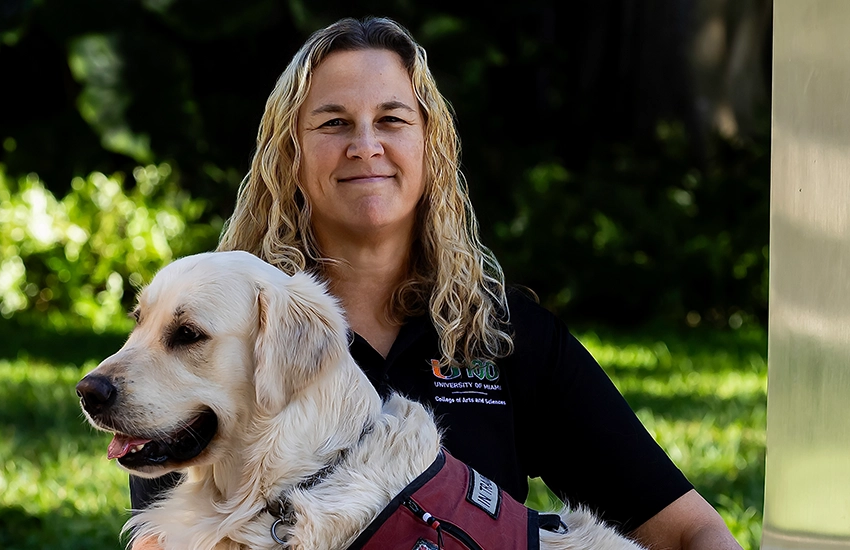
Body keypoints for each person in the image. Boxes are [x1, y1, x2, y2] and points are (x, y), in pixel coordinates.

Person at [130, 16, 741, 550]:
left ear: (430, 146)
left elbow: (689, 531)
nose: (364, 146)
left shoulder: (507, 339)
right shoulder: (210, 330)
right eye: (333, 122)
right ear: (290, 155)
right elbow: (164, 537)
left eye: (391, 119)